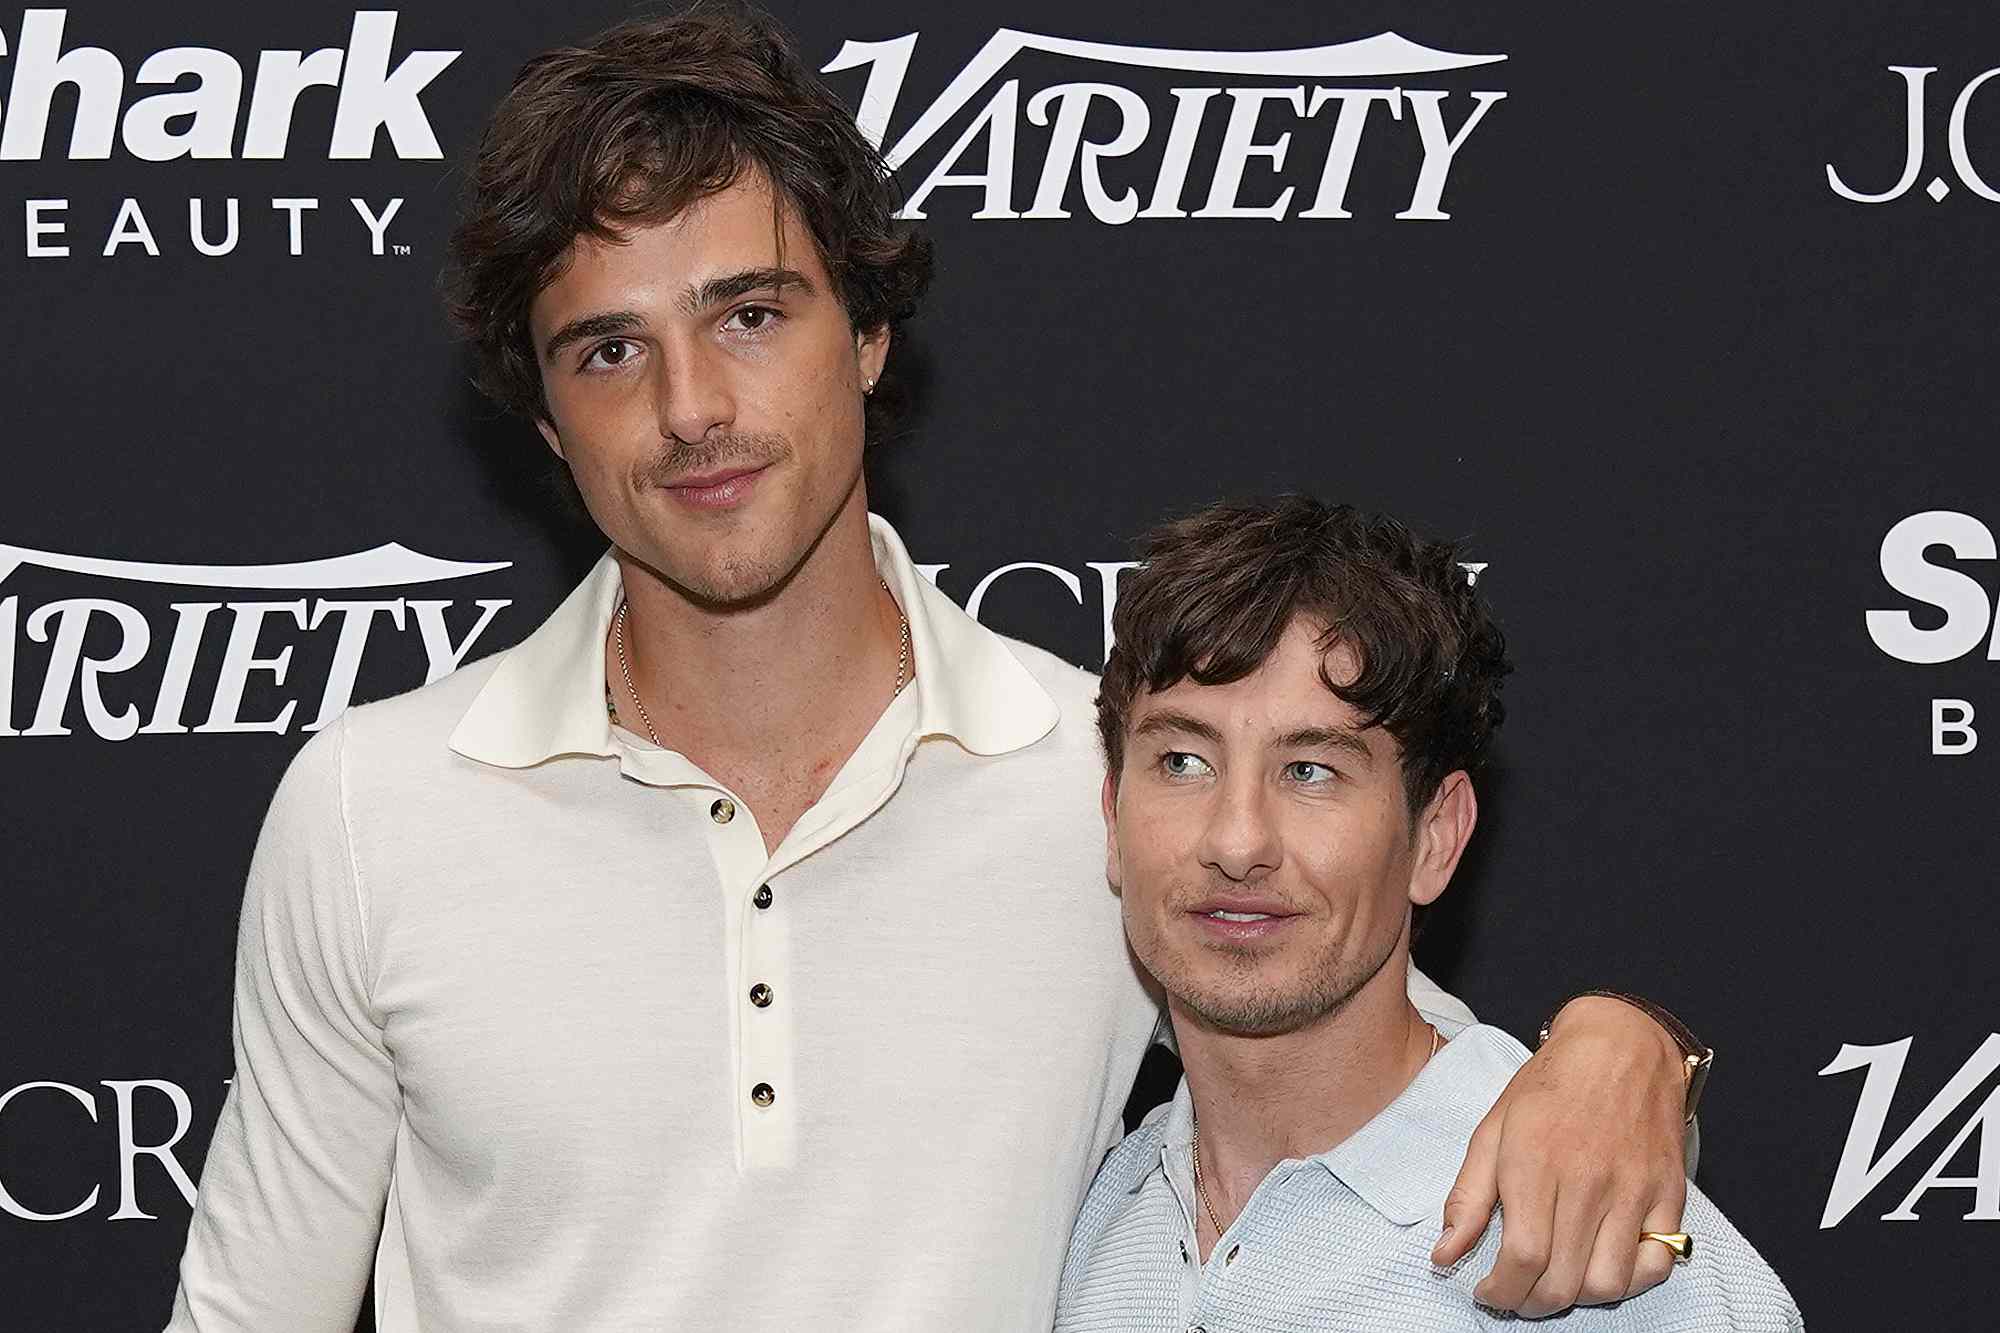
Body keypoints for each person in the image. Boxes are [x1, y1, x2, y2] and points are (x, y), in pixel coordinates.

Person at [167, 9, 1706, 1330]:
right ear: (548, 418)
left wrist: (1619, 1047)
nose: (692, 408)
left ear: (870, 340)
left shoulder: (1089, 782)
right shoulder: (375, 810)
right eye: (610, 351)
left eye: (751, 315)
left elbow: (1364, 1040)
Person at [1057, 496, 1802, 1330]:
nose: (1237, 841)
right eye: (1184, 759)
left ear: (1435, 837)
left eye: (1310, 771)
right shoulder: (1083, 1229)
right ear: (1115, 817)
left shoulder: (1600, 1255)